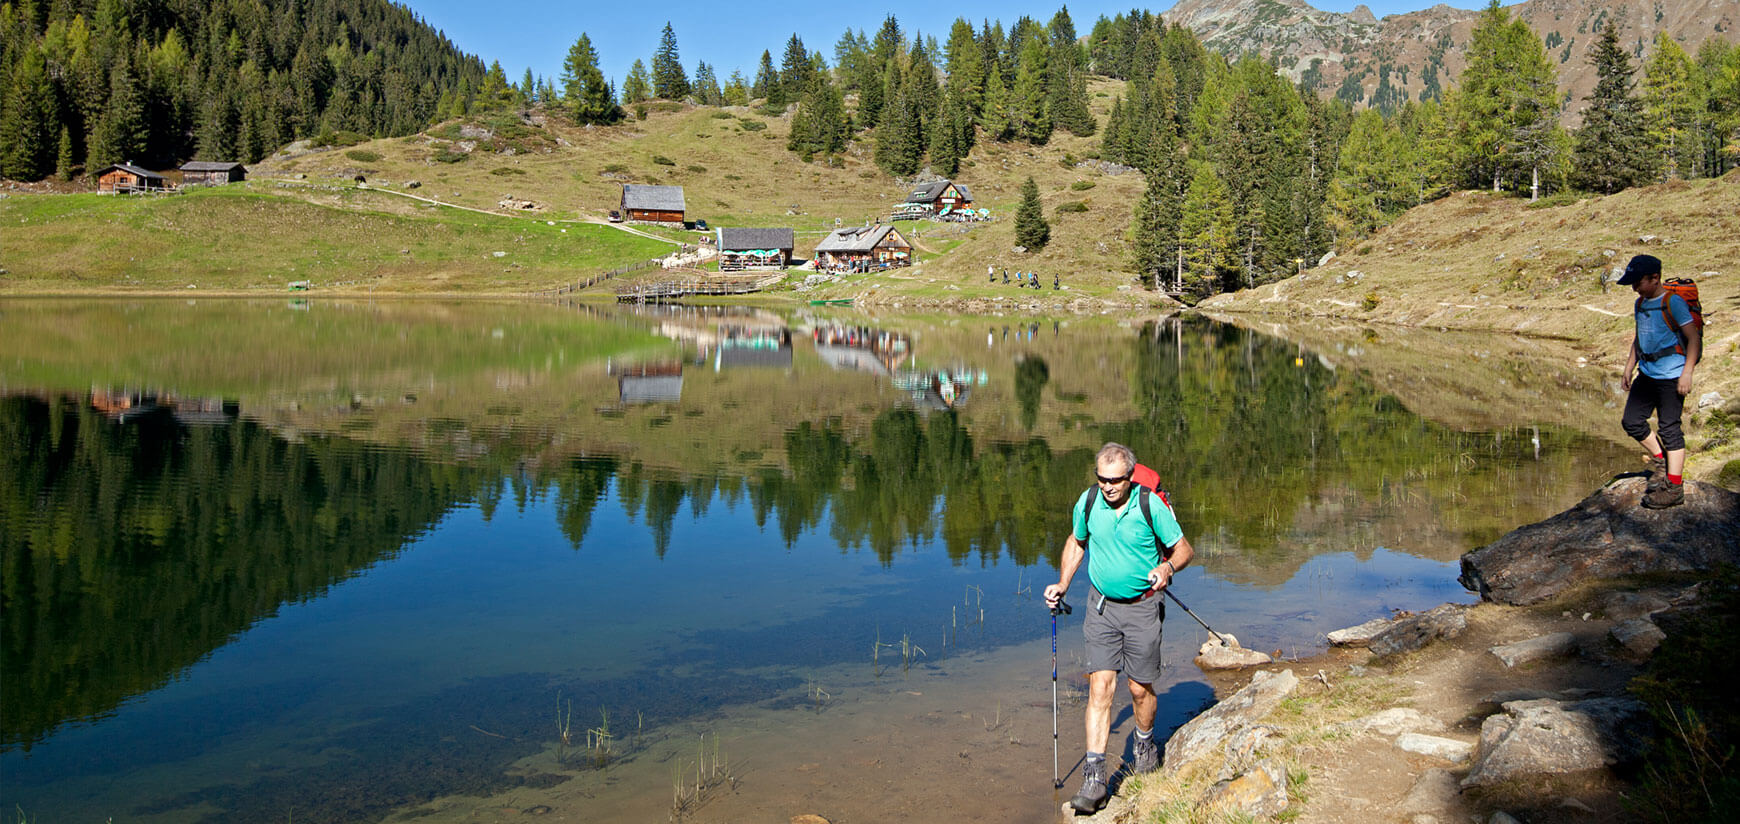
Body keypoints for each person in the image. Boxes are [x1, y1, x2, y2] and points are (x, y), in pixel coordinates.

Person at [1045, 443, 1195, 813]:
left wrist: (1167, 568)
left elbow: (1184, 549)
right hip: (1101, 609)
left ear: (1129, 476)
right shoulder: (1088, 502)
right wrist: (1062, 583)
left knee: (1139, 689)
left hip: (1143, 608)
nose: (1108, 486)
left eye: (1115, 480)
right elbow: (1076, 542)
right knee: (1100, 688)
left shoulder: (1149, 505)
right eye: (1102, 479)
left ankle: (1144, 747)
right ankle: (1094, 779)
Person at [1619, 254, 1700, 508]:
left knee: (1669, 429)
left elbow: (1693, 338)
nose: (1634, 287)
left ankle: (1674, 488)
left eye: (1638, 282)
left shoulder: (1673, 302)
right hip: (1647, 373)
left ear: (1655, 278)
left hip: (1672, 375)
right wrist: (1629, 367)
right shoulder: (1640, 303)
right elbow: (1639, 337)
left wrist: (1687, 373)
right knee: (1631, 421)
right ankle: (1661, 460)